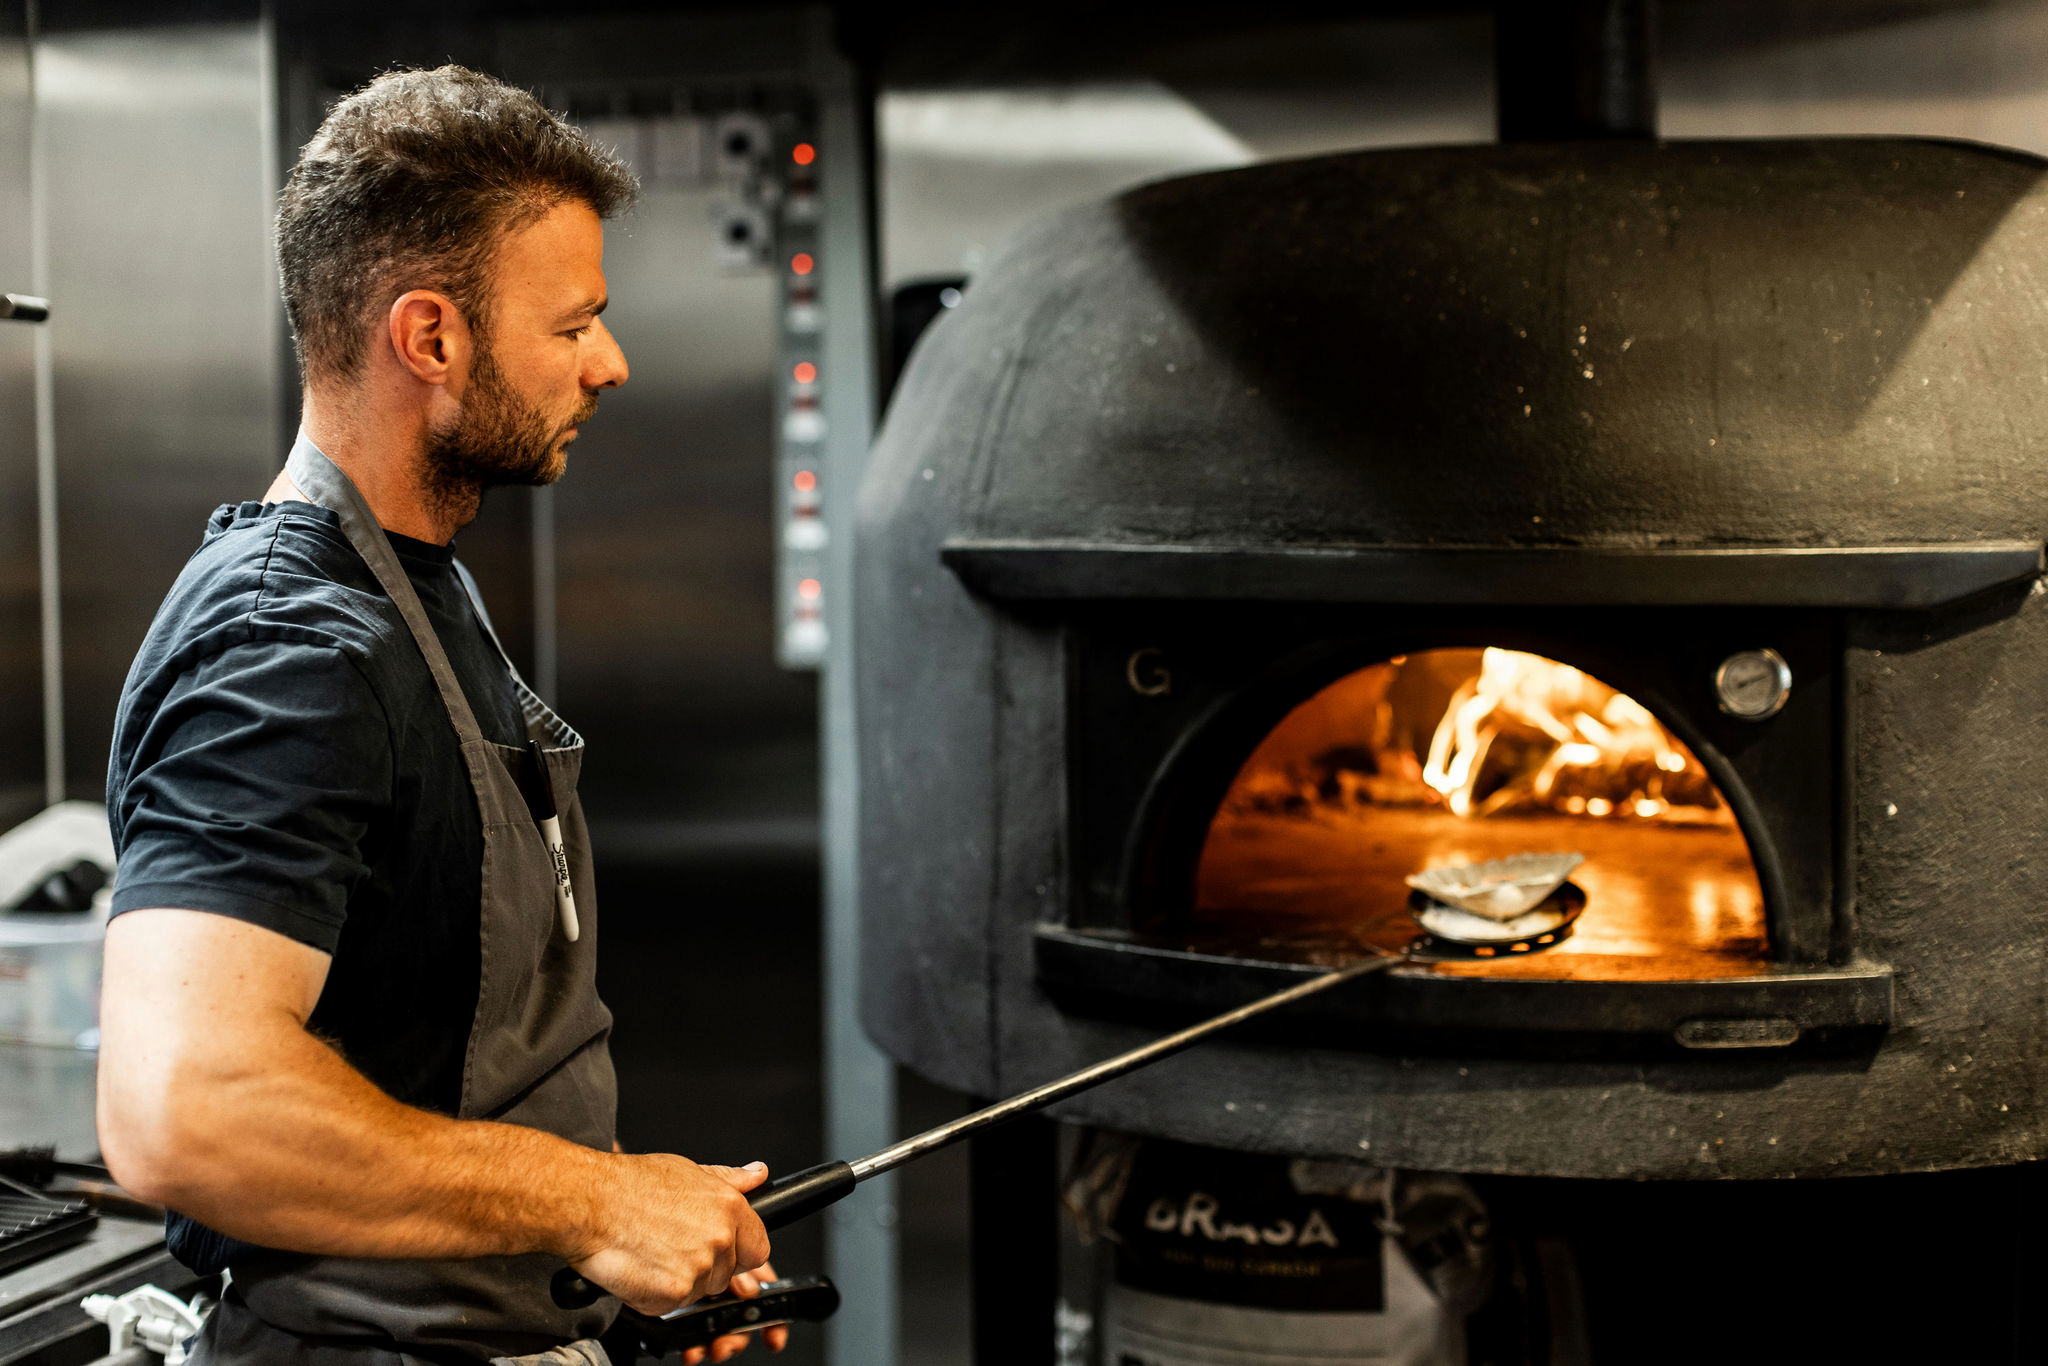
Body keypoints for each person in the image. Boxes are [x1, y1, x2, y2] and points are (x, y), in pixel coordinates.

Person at [96, 66, 780, 1366]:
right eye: (575, 323)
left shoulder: (417, 584)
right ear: (431, 338)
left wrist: (609, 1261)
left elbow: (424, 1046)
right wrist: (596, 1204)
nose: (611, 363)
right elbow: (182, 1107)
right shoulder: (291, 644)